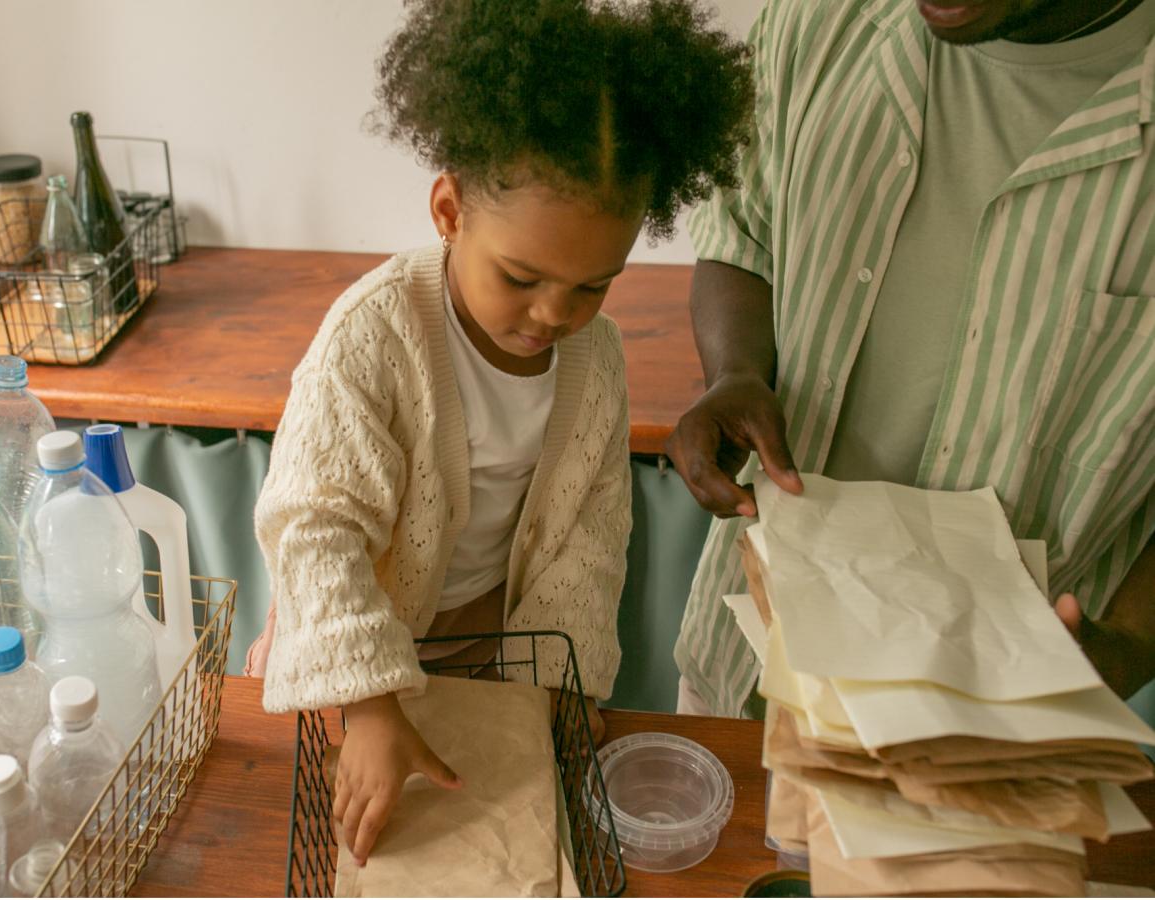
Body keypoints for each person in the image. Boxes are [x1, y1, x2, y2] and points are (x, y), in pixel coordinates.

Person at [249, 0, 752, 866]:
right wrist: (369, 704)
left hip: (492, 645)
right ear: (449, 211)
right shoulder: (373, 337)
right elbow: (314, 529)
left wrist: (556, 689)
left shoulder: (594, 360)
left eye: (595, 285)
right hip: (360, 645)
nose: (554, 315)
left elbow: (590, 539)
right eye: (522, 277)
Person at [668, 0, 1155, 719]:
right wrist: (736, 370)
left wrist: (1131, 646)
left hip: (1002, 721)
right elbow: (743, 233)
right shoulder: (817, 20)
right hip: (746, 669)